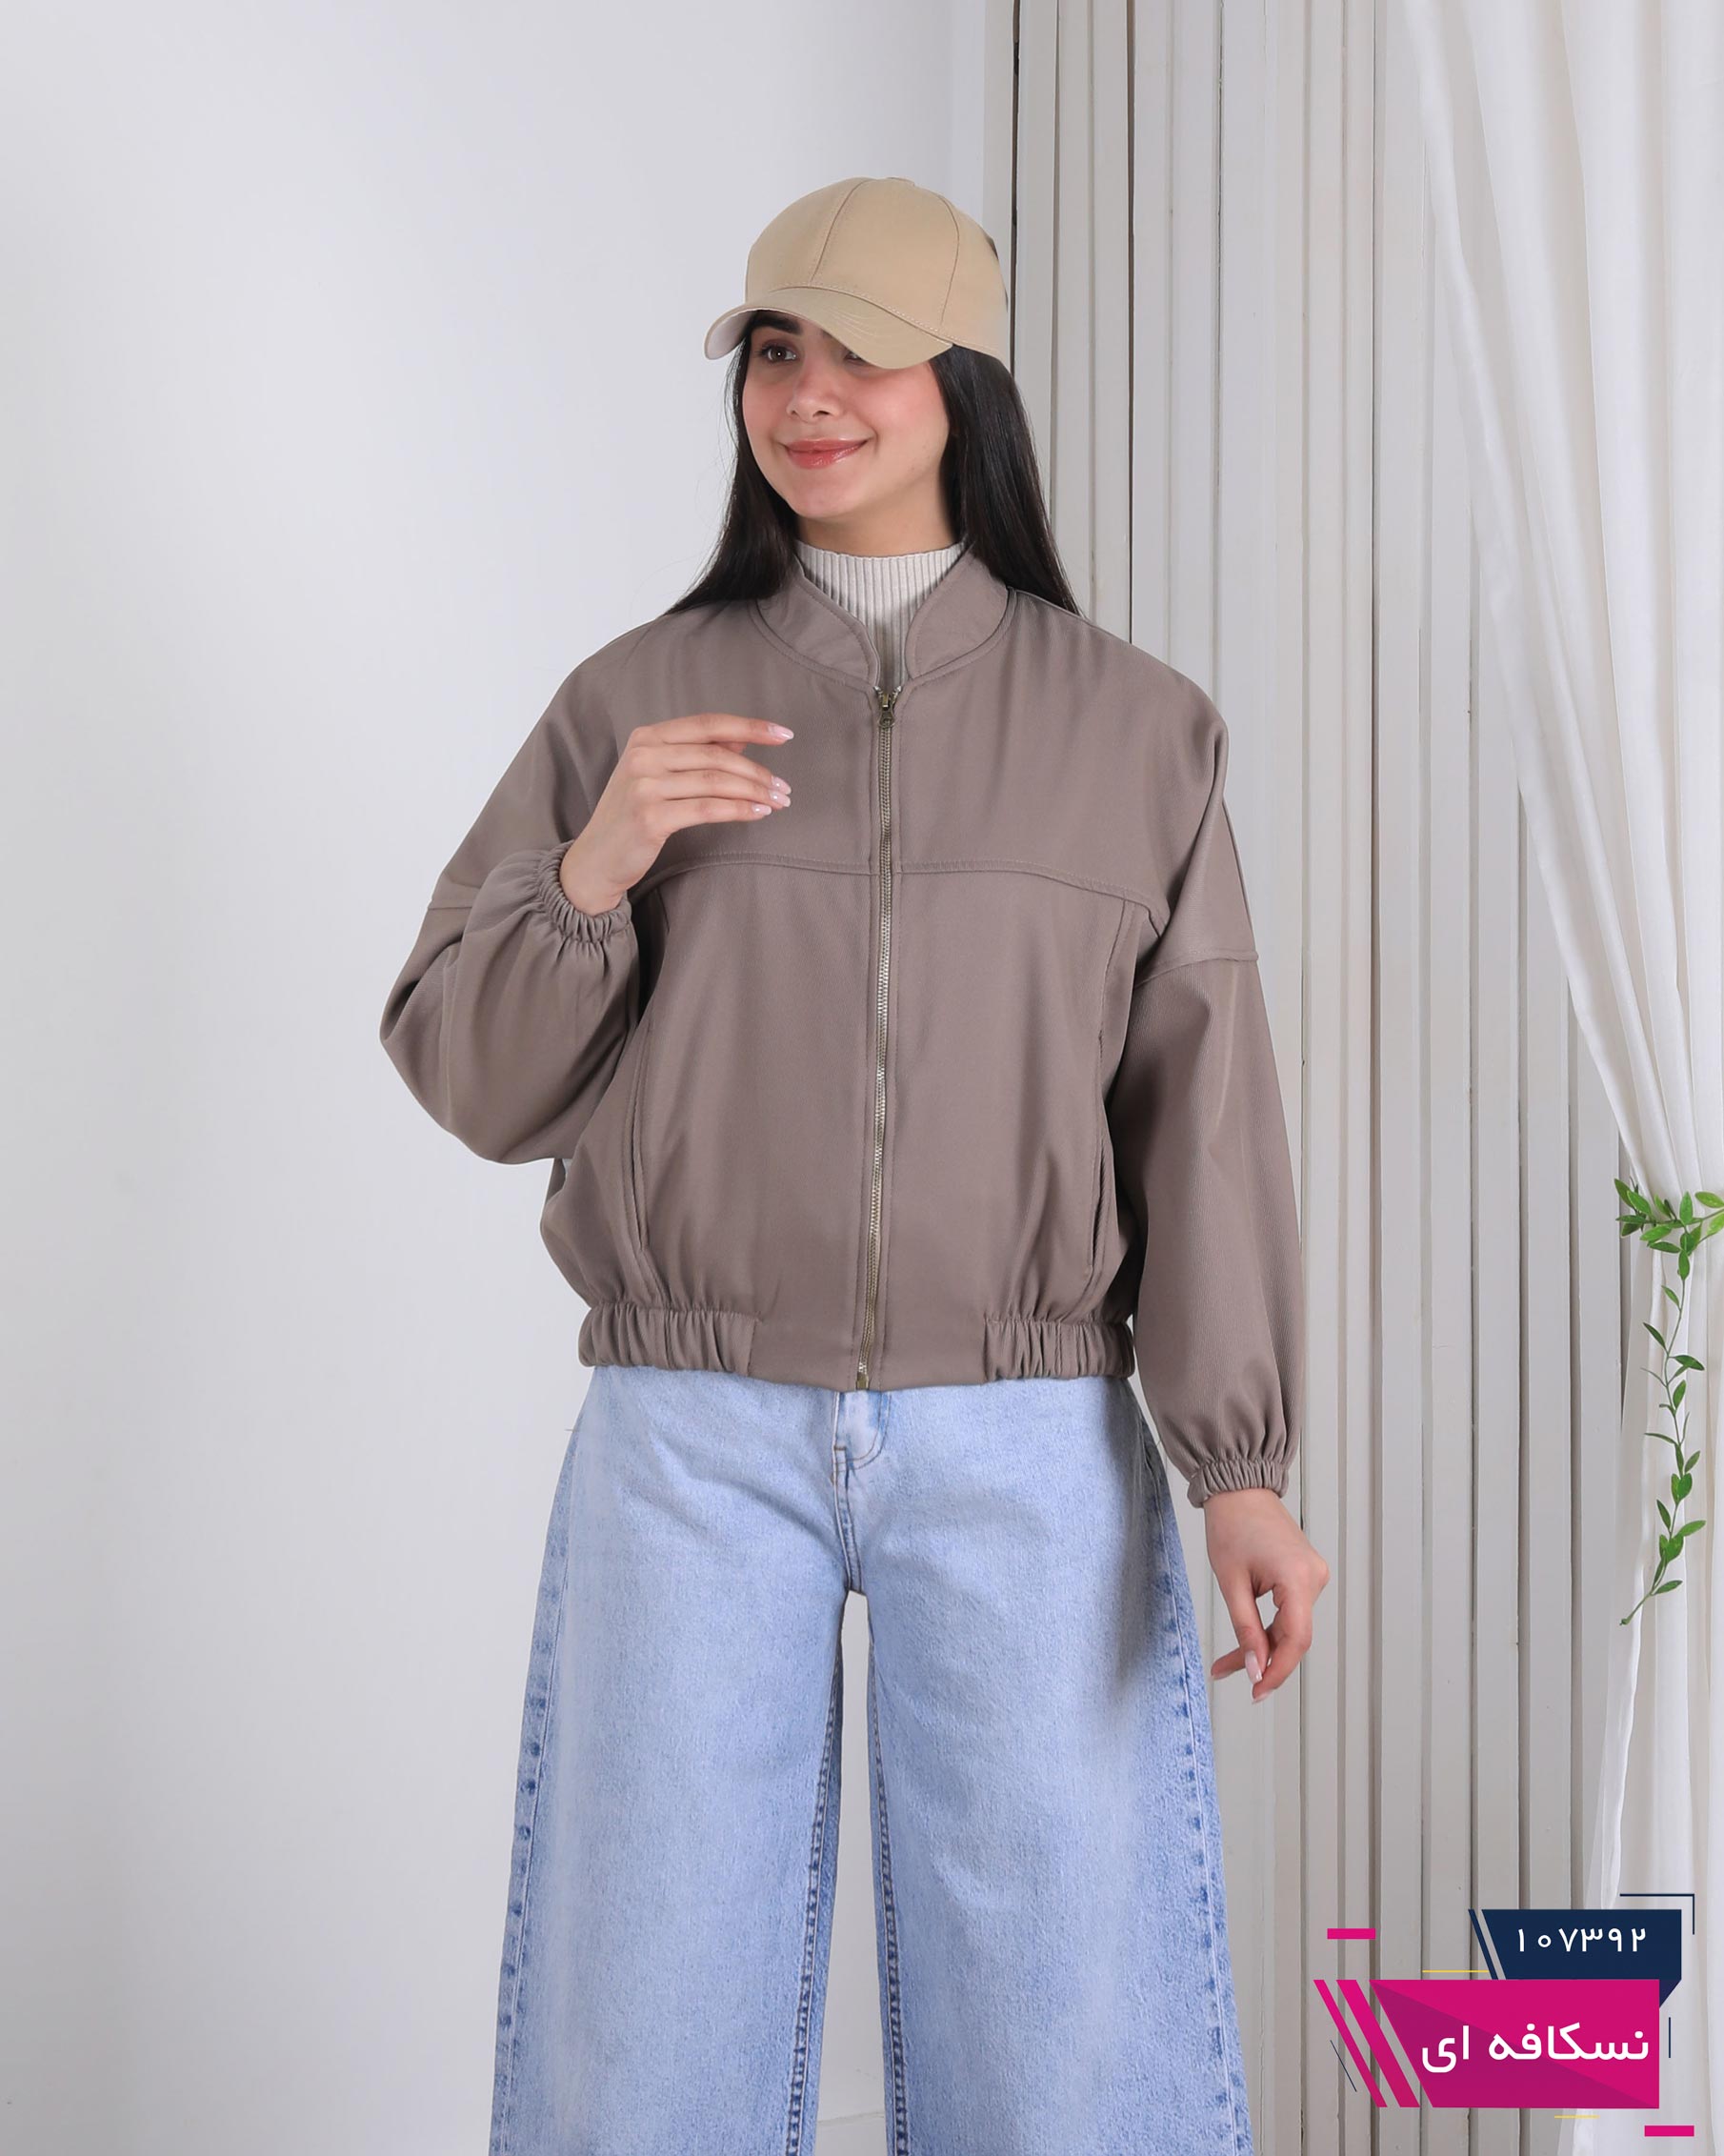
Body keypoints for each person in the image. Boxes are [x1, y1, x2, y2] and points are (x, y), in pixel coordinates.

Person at [379, 174, 1331, 2156]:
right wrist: (593, 870)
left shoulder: (1133, 730)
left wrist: (1237, 1465)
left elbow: (1202, 1113)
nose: (806, 396)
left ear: (961, 382)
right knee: (645, 2019)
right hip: (691, 1431)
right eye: (772, 352)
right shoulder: (632, 701)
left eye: (860, 353)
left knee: (1067, 2035)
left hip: (1025, 1434)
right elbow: (474, 1076)